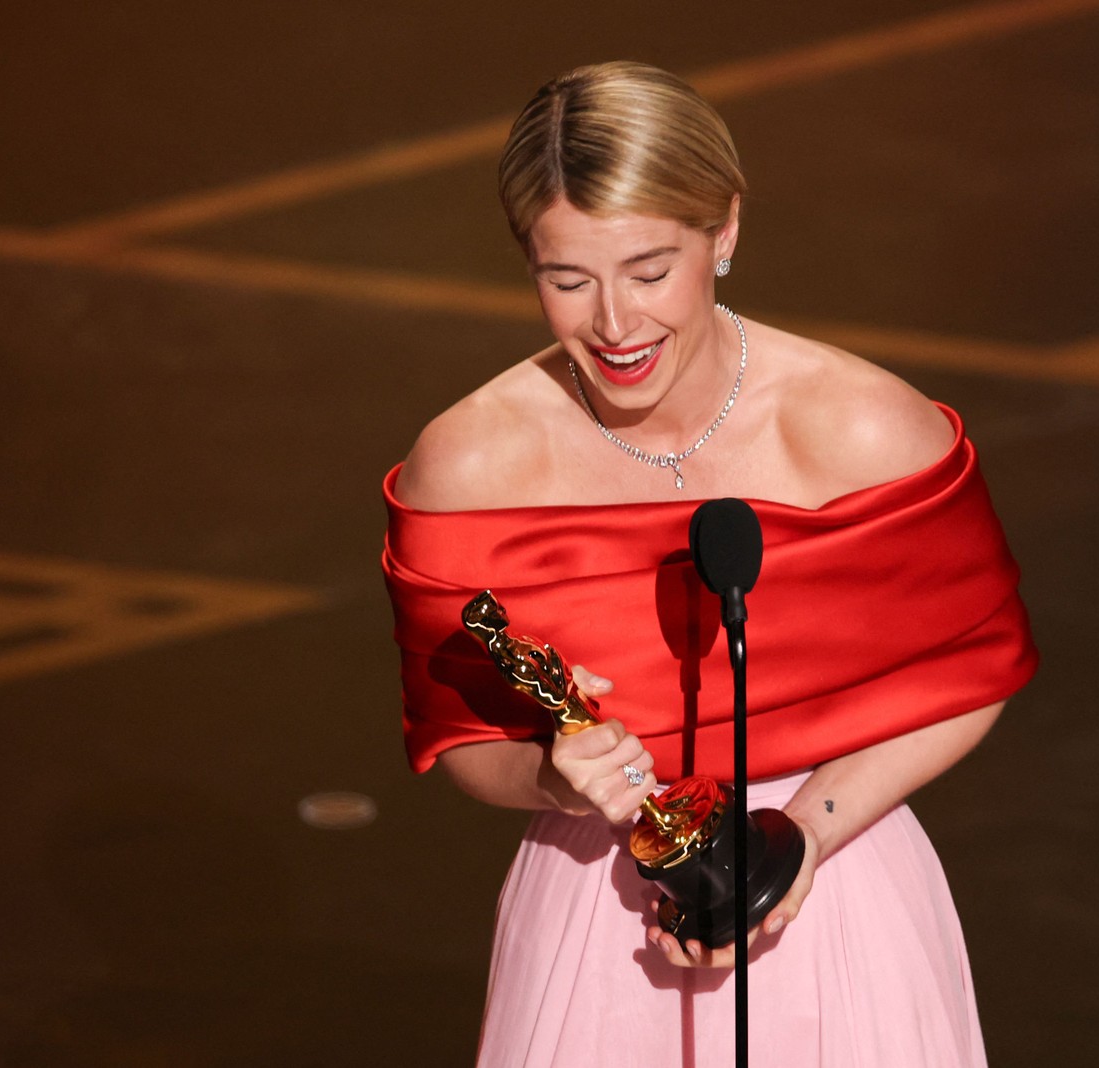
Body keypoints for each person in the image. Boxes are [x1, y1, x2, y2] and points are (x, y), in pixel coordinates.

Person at [382, 61, 1037, 1067]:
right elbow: (465, 737)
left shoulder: (863, 428)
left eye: (649, 270)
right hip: (597, 913)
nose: (613, 323)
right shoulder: (469, 465)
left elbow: (970, 670)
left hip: (834, 886)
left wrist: (802, 833)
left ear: (723, 230)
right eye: (568, 279)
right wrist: (554, 781)